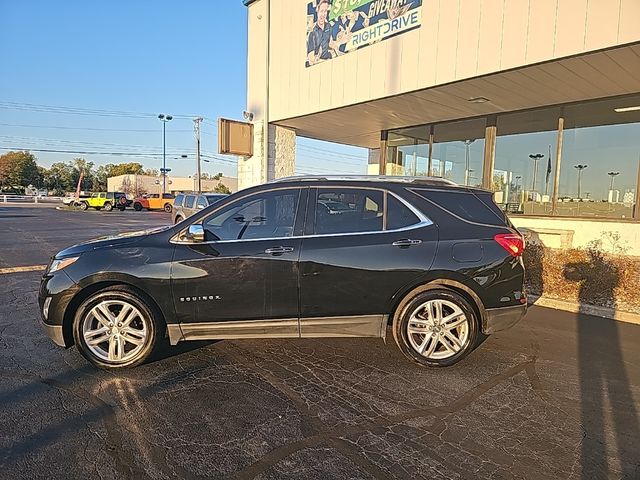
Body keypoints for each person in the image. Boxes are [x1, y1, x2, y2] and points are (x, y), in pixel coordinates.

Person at [306, 0, 333, 66]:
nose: (323, 14)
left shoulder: (329, 26)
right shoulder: (313, 32)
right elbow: (311, 60)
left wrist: (340, 42)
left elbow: (330, 45)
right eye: (321, 11)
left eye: (325, 11)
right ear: (317, 10)